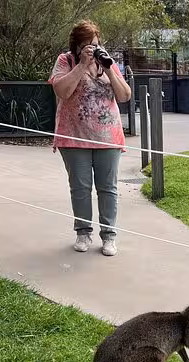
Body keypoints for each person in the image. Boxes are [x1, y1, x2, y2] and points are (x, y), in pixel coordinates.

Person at [49, 20, 132, 256]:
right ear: (76, 46)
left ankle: (109, 236)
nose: (92, 50)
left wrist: (108, 69)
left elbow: (125, 95)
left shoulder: (107, 62)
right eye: (87, 45)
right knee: (80, 188)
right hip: (74, 136)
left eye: (95, 44)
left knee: (108, 189)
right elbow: (62, 91)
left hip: (108, 137)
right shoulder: (66, 61)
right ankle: (83, 232)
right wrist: (82, 65)